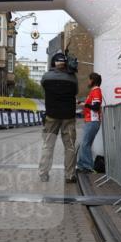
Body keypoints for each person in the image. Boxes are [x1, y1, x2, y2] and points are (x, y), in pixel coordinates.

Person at [39, 52, 79, 183]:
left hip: (51, 115)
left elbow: (43, 86)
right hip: (68, 116)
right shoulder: (73, 78)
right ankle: (69, 175)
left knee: (48, 145)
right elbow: (76, 91)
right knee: (70, 146)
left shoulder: (46, 77)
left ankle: (43, 174)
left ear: (53, 63)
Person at [77, 72, 103, 174]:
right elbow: (91, 104)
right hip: (91, 121)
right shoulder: (93, 91)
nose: (88, 81)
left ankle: (87, 166)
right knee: (85, 144)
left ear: (92, 80)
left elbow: (96, 107)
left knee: (85, 144)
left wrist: (86, 105)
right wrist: (80, 103)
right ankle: (83, 165)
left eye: (89, 79)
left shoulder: (96, 91)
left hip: (92, 121)